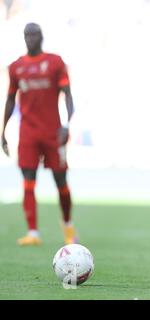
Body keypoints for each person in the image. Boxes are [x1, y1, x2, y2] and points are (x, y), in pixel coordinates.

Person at [1, 23, 77, 246]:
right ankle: (33, 233)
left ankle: (68, 226)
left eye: (34, 35)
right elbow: (9, 99)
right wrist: (2, 131)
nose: (30, 39)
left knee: (60, 180)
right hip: (28, 134)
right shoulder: (16, 67)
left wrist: (67, 124)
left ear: (41, 37)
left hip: (53, 132)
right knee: (28, 180)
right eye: (27, 35)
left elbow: (68, 95)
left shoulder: (55, 62)